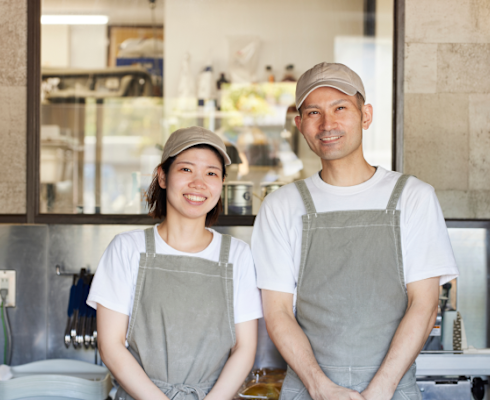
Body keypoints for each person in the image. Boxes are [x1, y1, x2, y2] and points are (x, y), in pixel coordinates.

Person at [252, 62, 459, 400]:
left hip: (391, 390)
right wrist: (320, 387)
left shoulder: (413, 197)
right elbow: (277, 312)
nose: (327, 124)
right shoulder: (281, 206)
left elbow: (425, 305)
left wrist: (381, 389)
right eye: (314, 112)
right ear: (299, 124)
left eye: (340, 108)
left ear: (366, 116)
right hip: (308, 390)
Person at [87, 126, 263, 400]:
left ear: (221, 184)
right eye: (186, 169)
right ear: (162, 176)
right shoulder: (127, 249)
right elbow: (110, 346)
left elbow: (245, 348)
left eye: (211, 173)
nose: (199, 183)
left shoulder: (237, 255)